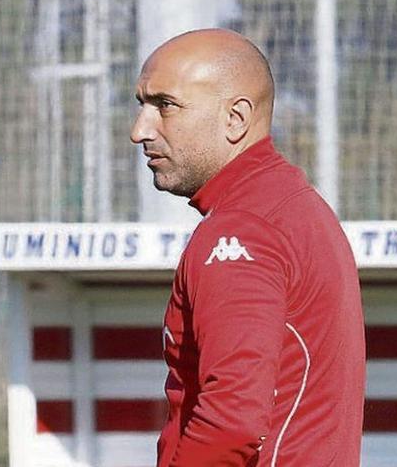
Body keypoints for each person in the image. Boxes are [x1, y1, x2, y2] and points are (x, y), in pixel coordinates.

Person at [131, 29, 365, 466]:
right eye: (141, 105)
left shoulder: (240, 232)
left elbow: (232, 423)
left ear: (235, 118)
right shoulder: (296, 209)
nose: (140, 130)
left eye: (165, 105)